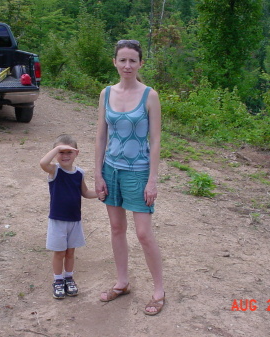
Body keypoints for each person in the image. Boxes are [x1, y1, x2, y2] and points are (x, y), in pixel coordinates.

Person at [94, 40, 165, 315]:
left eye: (132, 61)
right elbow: (101, 135)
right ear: (114, 62)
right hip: (111, 169)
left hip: (138, 171)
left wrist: (153, 179)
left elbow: (156, 140)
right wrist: (98, 173)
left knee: (144, 233)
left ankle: (158, 290)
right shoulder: (106, 93)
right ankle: (122, 283)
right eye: (122, 60)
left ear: (140, 64)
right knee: (116, 228)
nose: (127, 65)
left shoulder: (150, 95)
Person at [40, 134, 102, 299]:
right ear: (56, 153)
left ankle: (69, 277)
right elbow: (43, 163)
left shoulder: (79, 173)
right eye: (61, 152)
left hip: (74, 220)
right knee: (59, 252)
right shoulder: (54, 170)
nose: (65, 156)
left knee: (70, 252)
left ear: (77, 153)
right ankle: (58, 280)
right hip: (58, 220)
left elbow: (85, 192)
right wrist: (56, 149)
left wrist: (101, 193)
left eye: (69, 152)